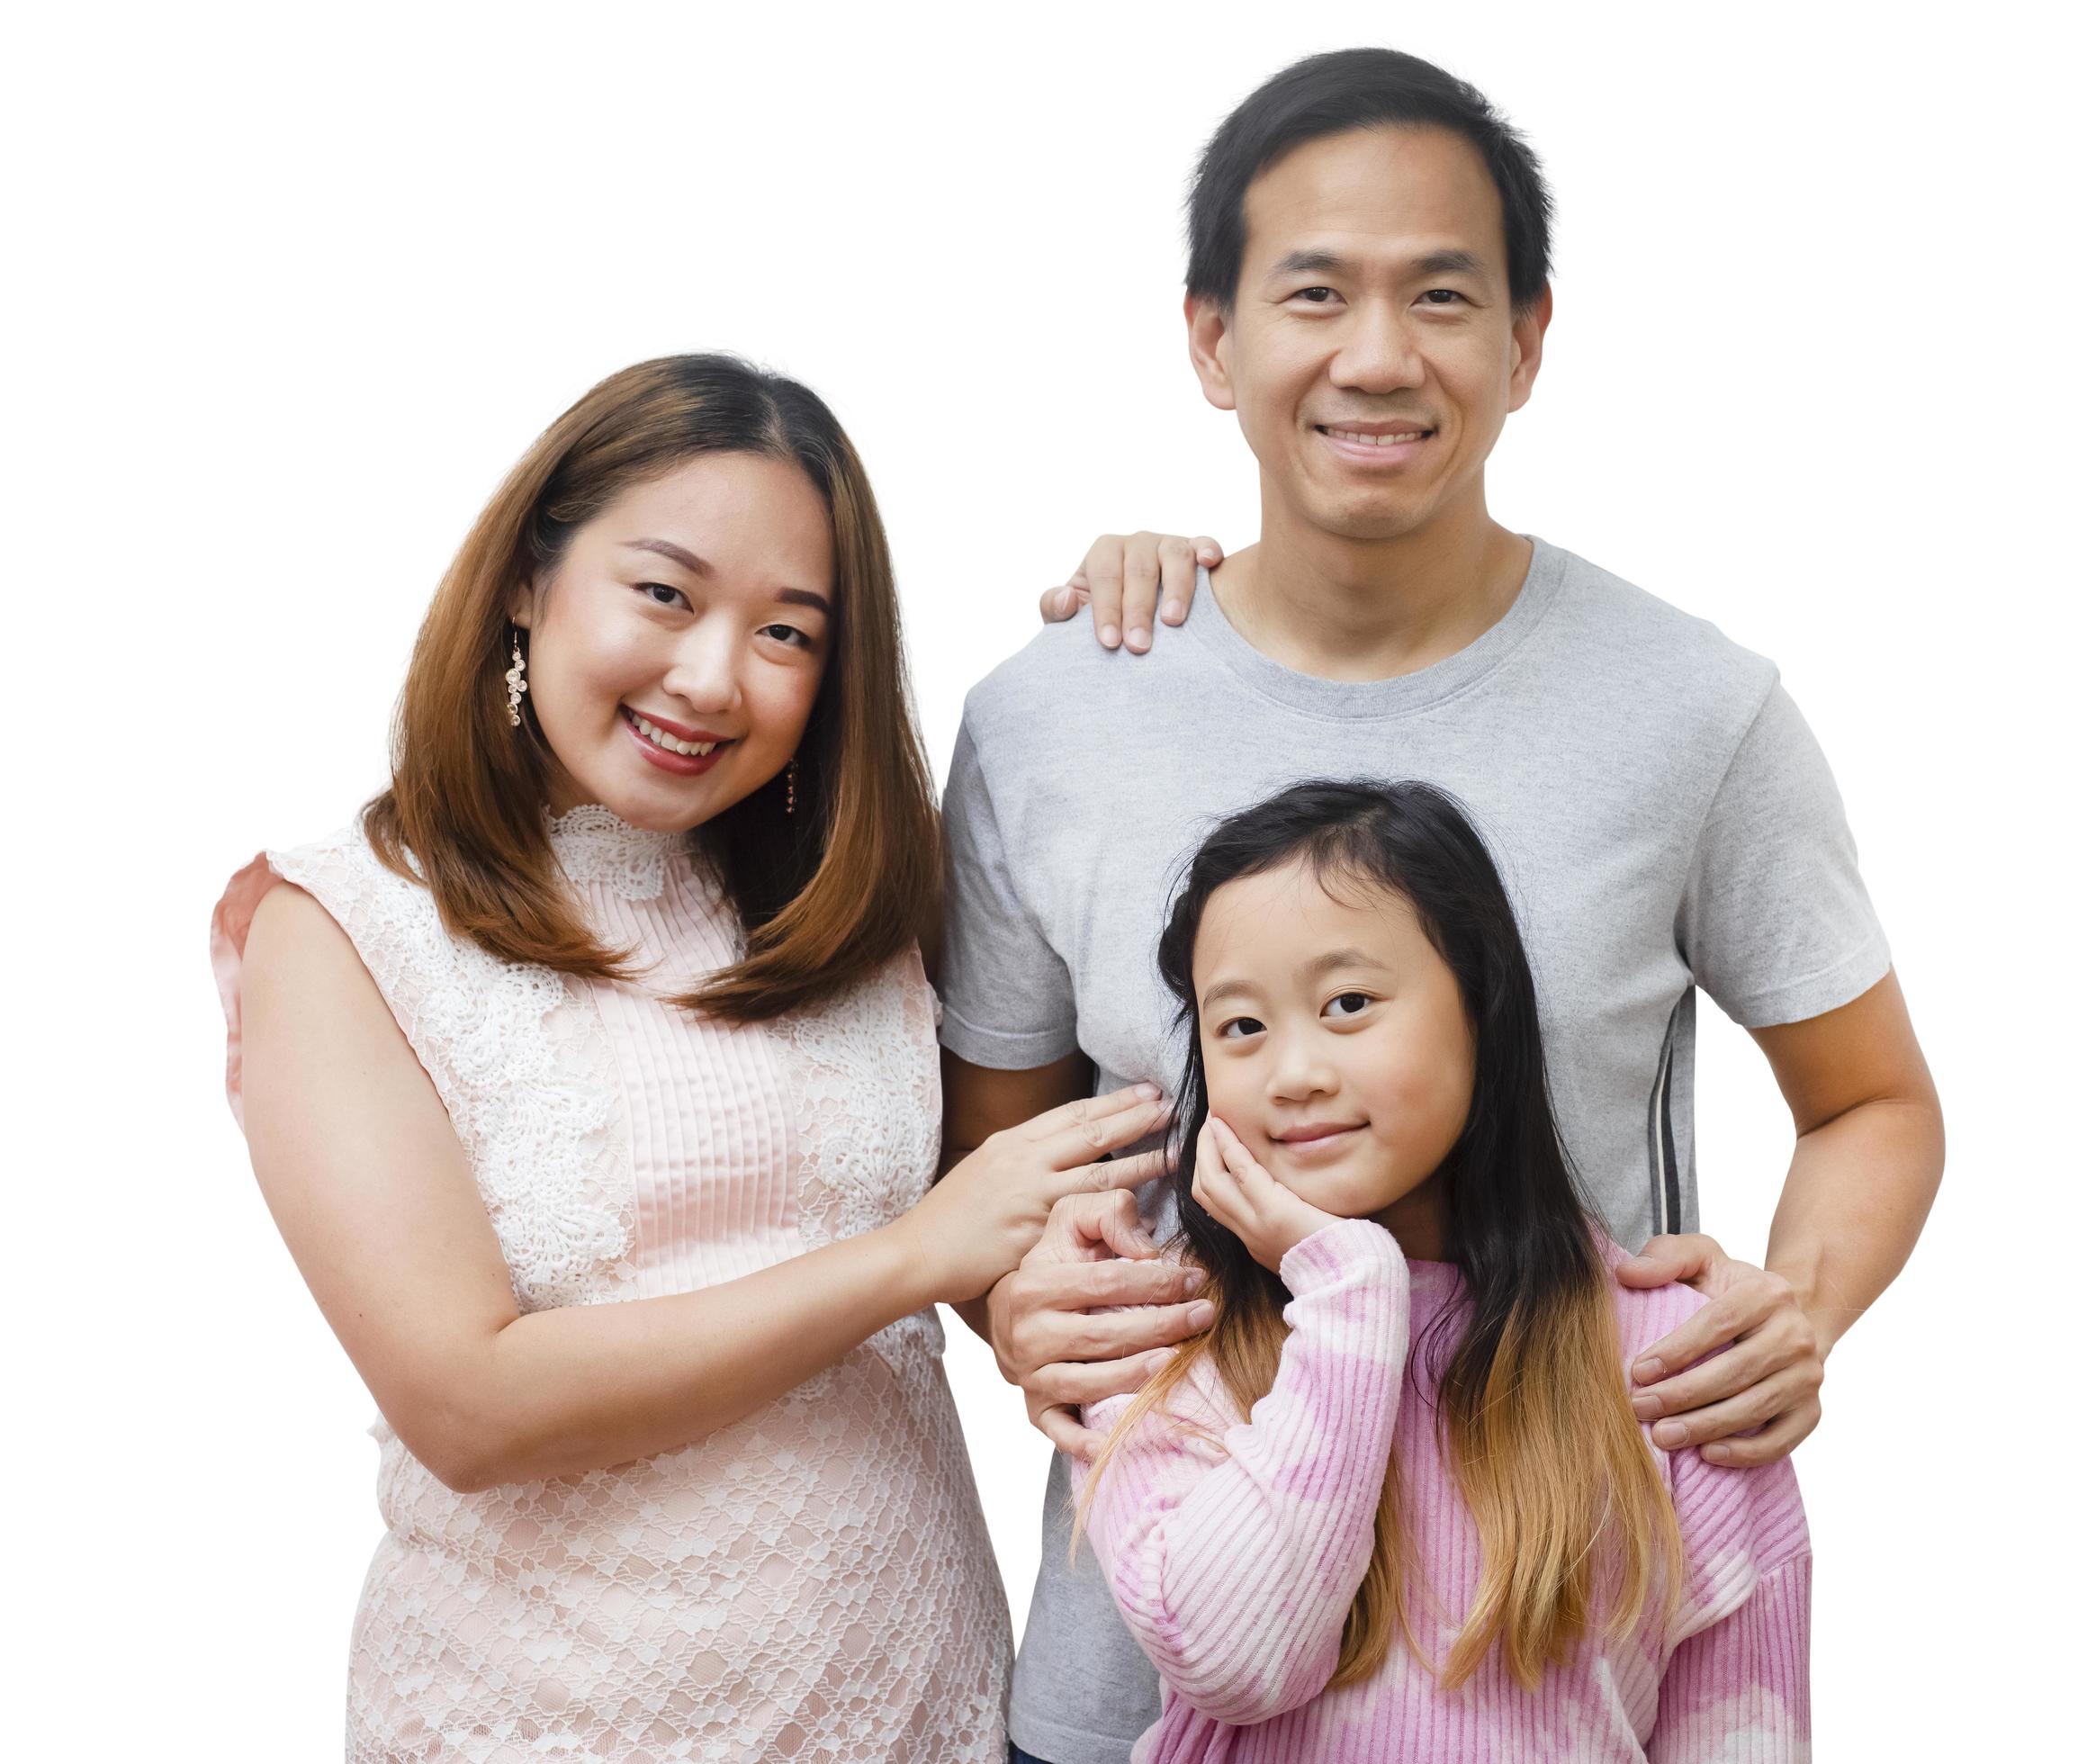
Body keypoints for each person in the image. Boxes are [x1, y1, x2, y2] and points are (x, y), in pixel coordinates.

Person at [939, 49, 1942, 1764]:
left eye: (1443, 297)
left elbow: (1872, 1102)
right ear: (1212, 339)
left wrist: (1802, 1302)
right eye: (1314, 293)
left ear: (1529, 341)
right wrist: (1012, 1299)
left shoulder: (1694, 711)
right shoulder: (1051, 713)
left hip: (1557, 1663)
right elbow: (983, 1171)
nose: (1379, 356)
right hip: (1140, 1682)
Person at [209, 353, 1201, 1760]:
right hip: (554, 1721)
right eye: (665, 594)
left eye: (790, 634)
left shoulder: (852, 900)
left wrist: (1174, 610)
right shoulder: (344, 929)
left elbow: (1008, 1201)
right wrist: (918, 1257)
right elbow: (469, 1406)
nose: (713, 677)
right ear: (525, 578)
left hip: (920, 1700)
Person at [1075, 779, 1810, 1760]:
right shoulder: (1161, 1348)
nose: (1293, 1071)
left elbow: (1745, 1730)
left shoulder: (1675, 1357)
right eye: (1241, 1026)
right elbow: (1235, 1663)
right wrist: (1347, 1287)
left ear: (1482, 1007)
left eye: (1348, 1004)